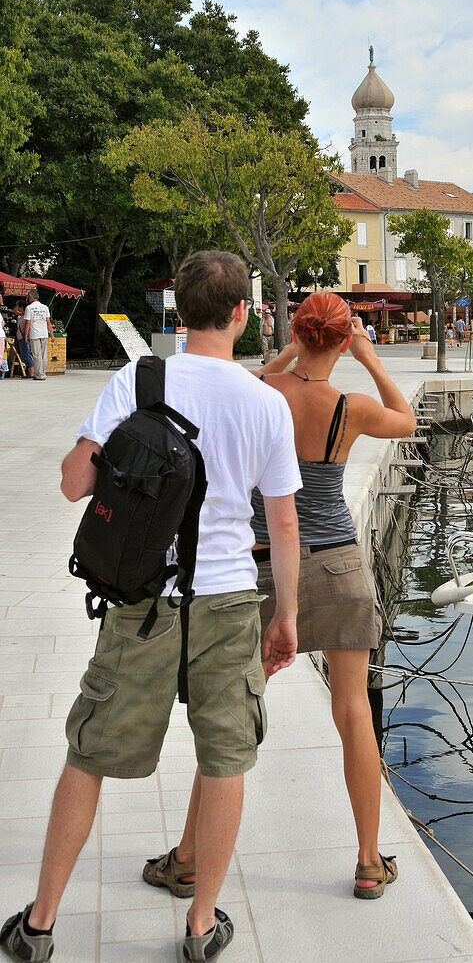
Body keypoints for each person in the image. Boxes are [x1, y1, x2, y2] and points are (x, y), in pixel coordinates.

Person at [0, 251, 302, 963]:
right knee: (225, 758)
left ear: (178, 308)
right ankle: (200, 926)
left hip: (142, 600)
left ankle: (40, 925)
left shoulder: (138, 380)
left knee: (90, 752)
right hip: (229, 603)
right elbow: (282, 525)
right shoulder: (266, 401)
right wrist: (284, 616)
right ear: (240, 315)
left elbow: (76, 483)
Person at [144, 293, 416, 906]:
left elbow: (259, 373)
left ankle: (187, 861)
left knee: (229, 715)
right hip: (341, 566)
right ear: (343, 341)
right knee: (353, 713)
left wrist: (297, 345)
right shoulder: (351, 407)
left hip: (263, 569)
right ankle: (370, 862)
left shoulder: (264, 394)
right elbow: (407, 420)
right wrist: (368, 358)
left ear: (295, 332)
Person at [22, 290, 54, 380]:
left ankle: (39, 375)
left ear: (31, 297)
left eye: (28, 297)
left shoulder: (29, 308)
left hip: (35, 334)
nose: (27, 299)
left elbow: (27, 322)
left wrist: (25, 335)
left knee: (36, 355)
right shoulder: (45, 307)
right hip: (44, 333)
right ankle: (43, 373)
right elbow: (48, 322)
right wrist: (52, 335)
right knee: (43, 355)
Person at [11, 302, 34, 377]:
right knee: (24, 354)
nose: (19, 309)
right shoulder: (23, 315)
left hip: (24, 337)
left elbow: (28, 324)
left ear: (22, 308)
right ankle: (29, 372)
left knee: (26, 354)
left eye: (20, 307)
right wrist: (17, 305)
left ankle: (31, 372)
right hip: (21, 337)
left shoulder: (26, 316)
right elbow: (14, 311)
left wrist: (26, 335)